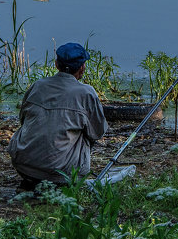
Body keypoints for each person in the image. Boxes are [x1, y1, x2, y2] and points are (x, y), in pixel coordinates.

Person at [8, 42, 108, 189]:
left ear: (56, 64)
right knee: (86, 133)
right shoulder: (86, 93)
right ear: (82, 68)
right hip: (62, 174)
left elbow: (23, 118)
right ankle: (64, 173)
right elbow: (98, 132)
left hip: (23, 167)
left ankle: (36, 173)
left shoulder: (38, 85)